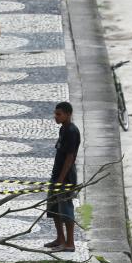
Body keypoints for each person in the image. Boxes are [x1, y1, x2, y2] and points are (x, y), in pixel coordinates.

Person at [45, 101, 81, 253]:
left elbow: (70, 157)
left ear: (68, 114)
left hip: (65, 178)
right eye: (55, 114)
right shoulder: (63, 129)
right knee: (53, 207)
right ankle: (60, 238)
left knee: (66, 209)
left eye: (59, 114)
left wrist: (61, 179)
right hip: (56, 174)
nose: (56, 117)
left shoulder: (72, 131)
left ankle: (70, 243)